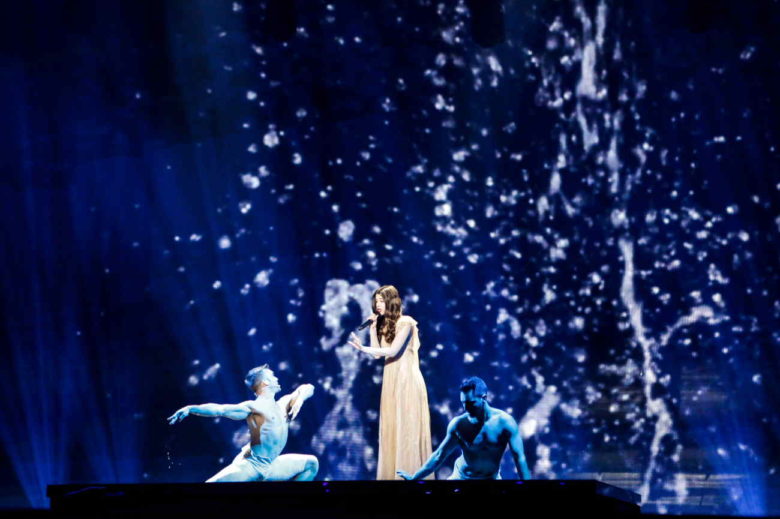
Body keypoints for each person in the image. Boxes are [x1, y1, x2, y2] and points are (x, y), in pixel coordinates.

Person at [167, 364, 319, 482]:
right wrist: (191, 408)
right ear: (265, 382)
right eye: (273, 376)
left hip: (271, 466)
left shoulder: (285, 404)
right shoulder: (253, 407)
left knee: (312, 464)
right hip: (252, 466)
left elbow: (308, 387)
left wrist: (300, 398)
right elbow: (219, 409)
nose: (277, 379)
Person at [348, 285, 433, 480]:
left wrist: (364, 349)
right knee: (391, 429)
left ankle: (408, 476)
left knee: (407, 430)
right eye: (376, 301)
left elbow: (393, 351)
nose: (377, 305)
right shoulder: (386, 325)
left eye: (381, 300)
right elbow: (378, 354)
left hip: (407, 381)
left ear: (392, 301)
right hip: (391, 382)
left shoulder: (406, 323)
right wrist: (372, 329)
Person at [396, 376, 531, 480]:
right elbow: (439, 455)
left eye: (471, 403)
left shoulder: (505, 423)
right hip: (461, 477)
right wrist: (415, 477)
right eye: (463, 403)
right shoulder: (458, 425)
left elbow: (519, 458)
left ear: (484, 398)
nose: (466, 408)